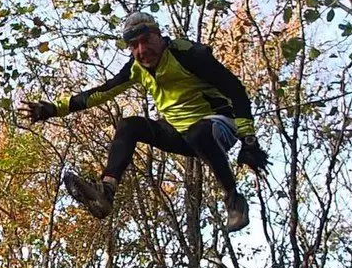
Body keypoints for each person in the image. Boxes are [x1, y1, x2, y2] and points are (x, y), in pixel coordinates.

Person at [20, 12, 268, 232]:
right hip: (181, 134)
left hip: (218, 125)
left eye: (146, 41)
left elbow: (236, 91)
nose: (141, 50)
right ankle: (106, 192)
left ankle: (233, 199)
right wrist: (53, 109)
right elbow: (99, 93)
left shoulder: (188, 55)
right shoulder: (137, 67)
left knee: (198, 133)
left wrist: (248, 140)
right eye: (133, 46)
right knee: (129, 125)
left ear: (159, 36)